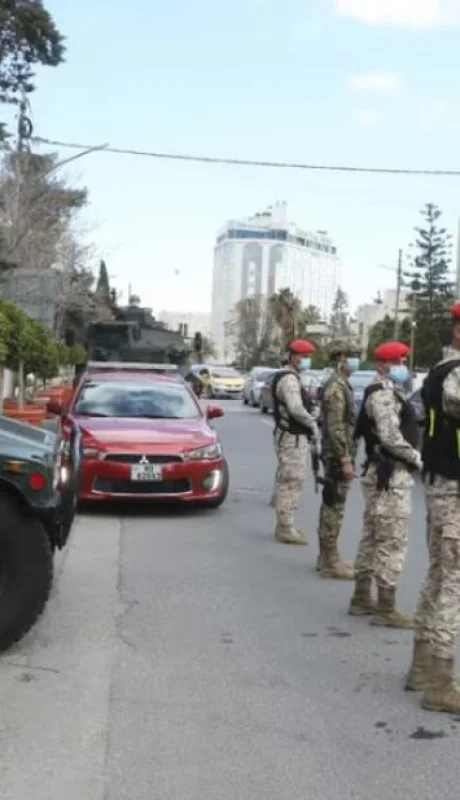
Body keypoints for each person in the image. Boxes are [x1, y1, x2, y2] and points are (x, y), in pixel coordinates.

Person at [405, 302, 460, 712]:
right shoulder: (454, 373)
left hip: (442, 485)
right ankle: (440, 681)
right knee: (453, 582)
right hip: (454, 490)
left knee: (440, 575)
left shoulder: (439, 371)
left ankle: (421, 666)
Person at [349, 340, 422, 626]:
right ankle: (385, 607)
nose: (403, 367)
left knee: (373, 536)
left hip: (381, 473)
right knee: (391, 541)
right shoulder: (382, 395)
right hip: (390, 476)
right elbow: (390, 437)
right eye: (399, 362)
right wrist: (417, 458)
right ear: (383, 365)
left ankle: (362, 597)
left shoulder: (388, 391)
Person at [316, 339, 361, 580]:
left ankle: (326, 555)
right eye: (352, 355)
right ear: (340, 358)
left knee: (332, 503)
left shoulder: (341, 384)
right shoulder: (336, 387)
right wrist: (345, 459)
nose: (356, 360)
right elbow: (336, 427)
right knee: (334, 505)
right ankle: (329, 561)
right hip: (336, 455)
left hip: (335, 453)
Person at [271, 339, 319, 544]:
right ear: (292, 356)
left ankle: (286, 523)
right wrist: (313, 423)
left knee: (291, 479)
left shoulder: (293, 377)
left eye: (308, 356)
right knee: (291, 481)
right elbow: (296, 409)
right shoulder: (289, 379)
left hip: (293, 436)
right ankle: (285, 527)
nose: (306, 360)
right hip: (292, 437)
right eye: (303, 356)